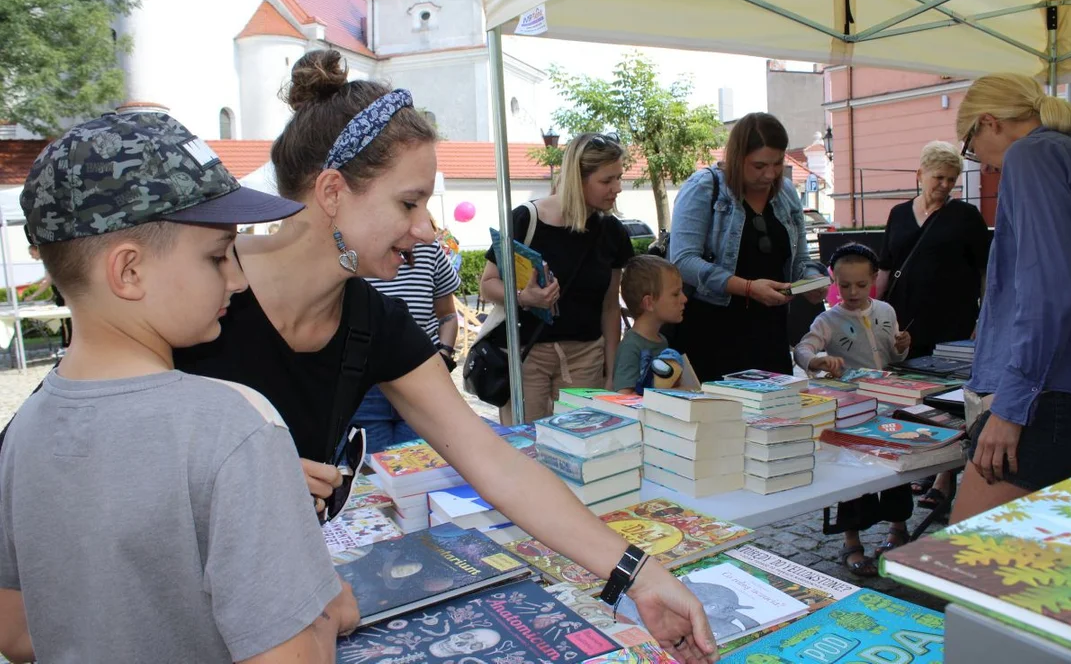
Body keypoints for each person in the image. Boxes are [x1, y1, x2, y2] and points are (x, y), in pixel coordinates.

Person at [174, 51, 715, 663]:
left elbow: (491, 459)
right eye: (409, 204)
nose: (427, 229)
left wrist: (637, 575)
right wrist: (231, 485)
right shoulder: (196, 298)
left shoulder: (372, 319)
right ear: (332, 192)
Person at [0, 112, 359, 663]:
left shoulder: (21, 434)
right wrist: (326, 617)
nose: (237, 280)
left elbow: (17, 635)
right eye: (217, 257)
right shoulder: (234, 425)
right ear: (129, 272)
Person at [949, 73, 1071, 523]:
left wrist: (1010, 409)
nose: (981, 164)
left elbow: (1049, 291)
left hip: (1049, 393)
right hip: (1063, 388)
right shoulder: (1067, 153)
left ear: (990, 123)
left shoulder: (1032, 154)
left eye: (970, 146)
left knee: (962, 565)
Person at [480, 132, 634, 423]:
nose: (617, 188)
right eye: (607, 180)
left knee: (583, 443)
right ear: (578, 178)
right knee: (525, 446)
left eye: (619, 178)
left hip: (586, 356)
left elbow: (610, 306)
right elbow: (487, 284)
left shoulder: (612, 232)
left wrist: (612, 373)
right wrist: (524, 297)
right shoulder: (526, 219)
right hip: (527, 354)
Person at [669, 113, 827, 382]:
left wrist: (811, 280)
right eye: (759, 165)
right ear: (736, 156)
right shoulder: (704, 188)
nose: (770, 174)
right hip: (712, 332)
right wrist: (748, 288)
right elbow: (683, 261)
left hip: (771, 333)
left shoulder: (786, 192)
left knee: (775, 417)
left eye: (777, 163)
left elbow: (799, 258)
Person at [877, 141, 990, 510]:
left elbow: (986, 270)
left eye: (952, 179)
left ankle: (945, 479)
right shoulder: (898, 213)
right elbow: (884, 266)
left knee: (951, 401)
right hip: (905, 324)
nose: (945, 185)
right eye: (939, 177)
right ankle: (924, 460)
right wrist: (872, 312)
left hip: (953, 324)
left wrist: (983, 316)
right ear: (920, 175)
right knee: (912, 397)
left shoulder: (966, 217)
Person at [795, 243, 912, 576]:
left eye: (861, 285)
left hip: (890, 404)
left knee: (897, 468)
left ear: (875, 278)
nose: (852, 292)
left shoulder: (886, 311)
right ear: (833, 281)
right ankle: (851, 540)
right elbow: (804, 348)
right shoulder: (828, 319)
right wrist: (818, 360)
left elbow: (893, 353)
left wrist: (903, 346)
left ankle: (897, 528)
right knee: (852, 474)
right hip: (851, 409)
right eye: (844, 285)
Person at [352, 213, 461, 453]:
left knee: (422, 466)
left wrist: (444, 354)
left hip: (423, 379)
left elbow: (448, 315)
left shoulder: (429, 249)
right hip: (366, 385)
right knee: (370, 473)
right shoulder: (352, 250)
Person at [614, 255, 687, 394]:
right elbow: (623, 396)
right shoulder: (631, 346)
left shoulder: (662, 341)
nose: (684, 299)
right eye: (676, 294)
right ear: (649, 303)